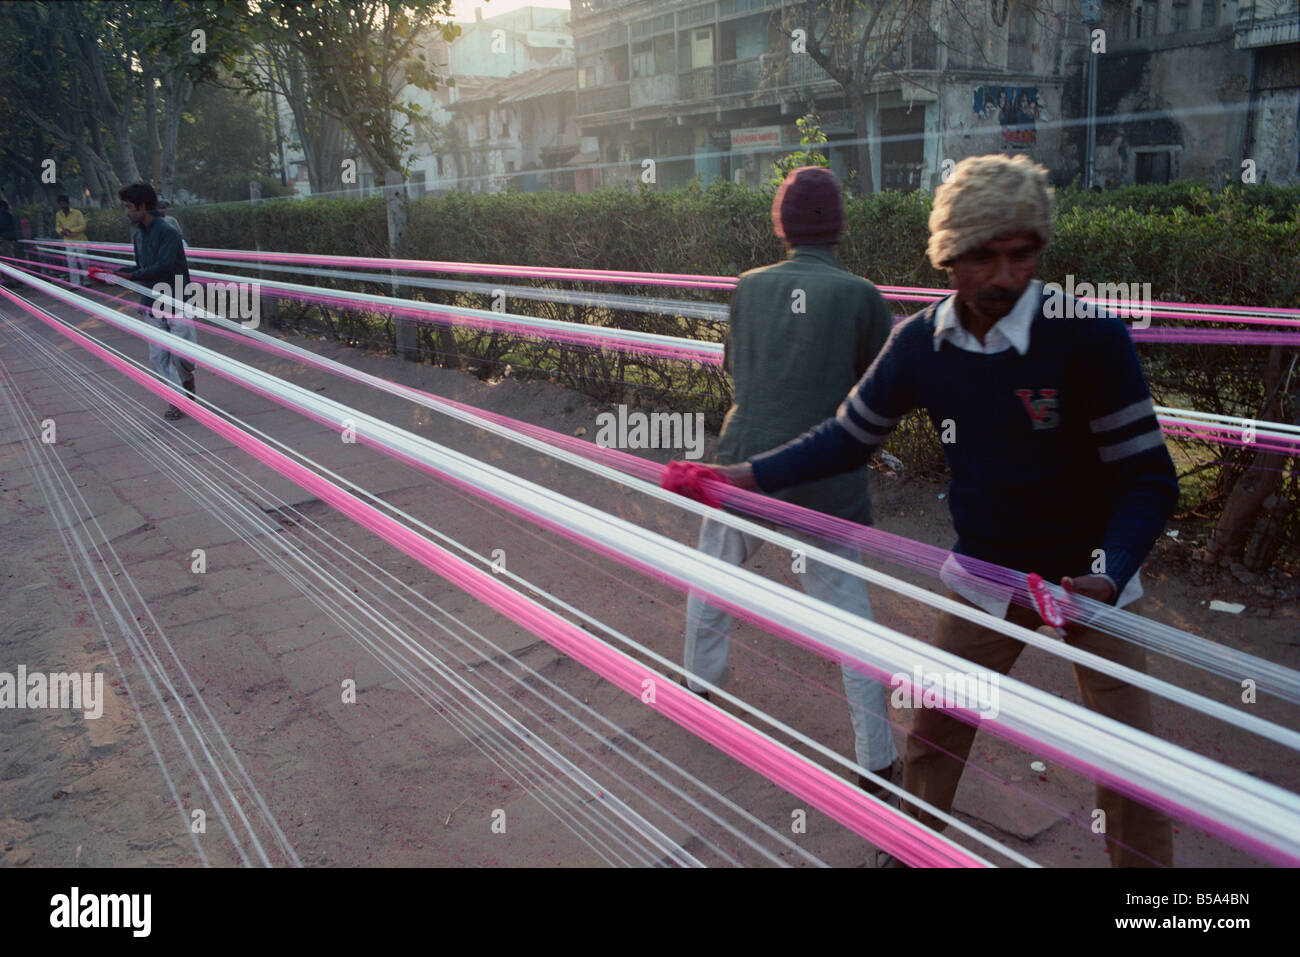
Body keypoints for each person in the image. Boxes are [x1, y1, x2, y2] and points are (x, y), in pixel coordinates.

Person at [696, 154, 1177, 868]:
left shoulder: (1088, 337)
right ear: (948, 255)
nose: (1006, 276)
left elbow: (1149, 479)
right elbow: (848, 436)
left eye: (1022, 255)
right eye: (983, 257)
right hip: (986, 570)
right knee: (934, 733)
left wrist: (1105, 574)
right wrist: (744, 474)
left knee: (1130, 761)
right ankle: (910, 850)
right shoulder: (923, 343)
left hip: (1094, 580)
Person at [683, 166, 903, 801]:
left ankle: (699, 688)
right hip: (822, 476)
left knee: (712, 581)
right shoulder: (862, 297)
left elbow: (737, 369)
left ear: (780, 223)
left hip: (742, 463)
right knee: (849, 625)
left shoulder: (748, 288)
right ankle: (877, 759)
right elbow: (878, 398)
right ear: (840, 224)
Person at [114, 182, 196, 421]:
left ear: (142, 206)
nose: (127, 212)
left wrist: (132, 276)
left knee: (182, 357)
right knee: (157, 359)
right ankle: (178, 401)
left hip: (177, 299)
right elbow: (142, 267)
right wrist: (115, 273)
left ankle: (188, 387)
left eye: (129, 207)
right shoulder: (138, 234)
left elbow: (163, 267)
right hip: (152, 301)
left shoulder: (169, 232)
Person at [55, 194, 90, 286]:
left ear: (67, 203)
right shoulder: (58, 214)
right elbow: (58, 227)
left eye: (64, 203)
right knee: (71, 262)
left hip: (79, 240)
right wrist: (61, 231)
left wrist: (71, 231)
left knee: (83, 261)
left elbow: (83, 226)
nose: (62, 205)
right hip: (68, 241)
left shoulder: (77, 213)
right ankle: (75, 283)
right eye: (60, 204)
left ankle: (87, 280)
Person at [0, 200, 18, 287]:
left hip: (6, 241)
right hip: (4, 240)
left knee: (8, 261)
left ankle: (12, 281)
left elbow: (11, 230)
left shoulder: (6, 216)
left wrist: (3, 237)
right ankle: (6, 281)